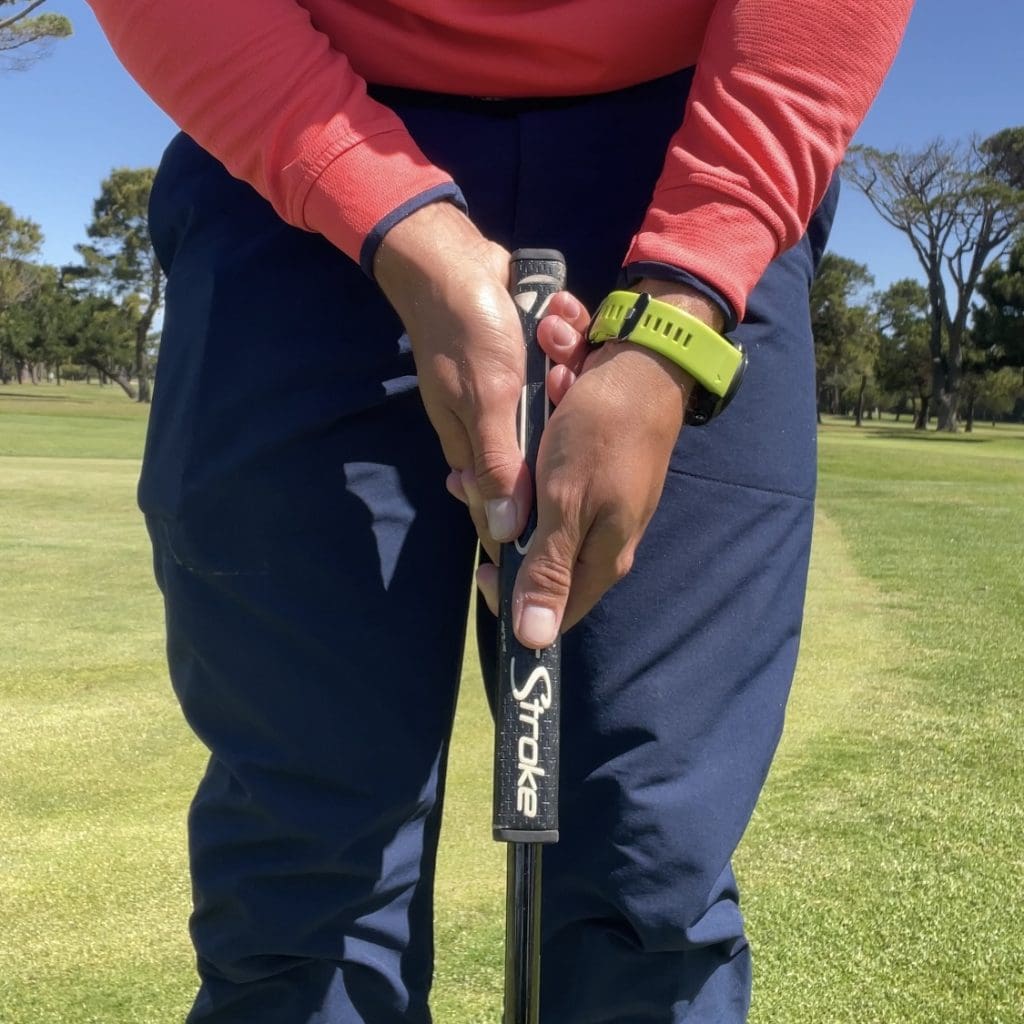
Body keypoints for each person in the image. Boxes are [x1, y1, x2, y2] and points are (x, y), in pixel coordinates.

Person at [86, 2, 913, 1021]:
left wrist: (679, 313)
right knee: (301, 887)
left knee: (644, 862)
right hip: (299, 129)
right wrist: (390, 217)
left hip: (690, 156)